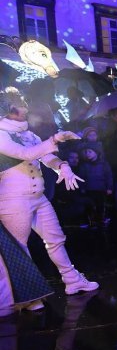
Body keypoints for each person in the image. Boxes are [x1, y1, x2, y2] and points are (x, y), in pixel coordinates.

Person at [0, 88, 98, 312]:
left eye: (22, 103)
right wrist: (55, 138)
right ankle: (26, 297)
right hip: (13, 200)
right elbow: (26, 154)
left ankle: (72, 280)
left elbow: (44, 155)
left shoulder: (28, 133)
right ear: (7, 109)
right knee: (19, 248)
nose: (24, 109)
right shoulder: (0, 133)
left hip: (37, 197)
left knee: (55, 238)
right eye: (18, 106)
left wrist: (62, 166)